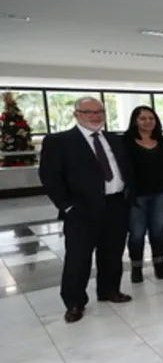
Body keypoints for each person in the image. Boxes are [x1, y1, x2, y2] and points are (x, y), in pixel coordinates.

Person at [39, 97, 133, 323]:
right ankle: (74, 302)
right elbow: (49, 177)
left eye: (99, 112)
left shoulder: (115, 139)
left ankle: (109, 290)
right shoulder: (59, 141)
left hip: (116, 204)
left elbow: (127, 168)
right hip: (81, 209)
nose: (95, 116)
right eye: (88, 112)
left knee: (112, 253)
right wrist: (67, 205)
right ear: (77, 115)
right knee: (78, 258)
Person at [123, 105, 163, 283]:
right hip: (136, 196)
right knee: (137, 233)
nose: (148, 122)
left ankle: (159, 264)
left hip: (161, 193)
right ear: (135, 121)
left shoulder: (162, 142)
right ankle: (136, 267)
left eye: (151, 118)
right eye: (143, 118)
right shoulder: (125, 142)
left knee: (157, 231)